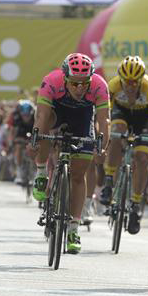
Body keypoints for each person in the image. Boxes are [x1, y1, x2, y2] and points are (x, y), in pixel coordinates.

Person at [31, 53, 109, 254]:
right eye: (74, 84)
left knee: (78, 174)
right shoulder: (51, 81)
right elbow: (41, 116)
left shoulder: (99, 86)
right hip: (56, 113)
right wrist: (36, 140)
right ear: (65, 78)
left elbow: (103, 121)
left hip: (82, 119)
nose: (80, 88)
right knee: (45, 127)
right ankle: (41, 173)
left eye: (85, 83)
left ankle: (74, 229)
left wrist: (102, 147)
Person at [100, 55, 148, 234]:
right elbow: (104, 114)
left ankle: (135, 203)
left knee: (142, 157)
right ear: (121, 78)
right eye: (127, 81)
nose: (130, 85)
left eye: (135, 82)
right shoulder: (112, 86)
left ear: (141, 79)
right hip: (121, 113)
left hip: (143, 119)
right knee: (117, 132)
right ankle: (109, 180)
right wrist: (105, 133)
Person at [7, 99, 35, 183]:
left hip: (32, 131)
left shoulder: (35, 116)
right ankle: (19, 171)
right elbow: (12, 131)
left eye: (28, 116)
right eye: (24, 115)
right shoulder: (16, 116)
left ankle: (34, 172)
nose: (26, 118)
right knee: (18, 146)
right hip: (21, 133)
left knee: (35, 148)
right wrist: (12, 142)